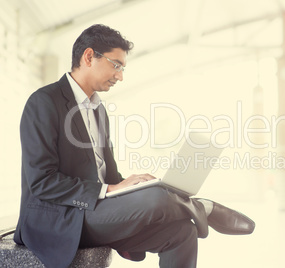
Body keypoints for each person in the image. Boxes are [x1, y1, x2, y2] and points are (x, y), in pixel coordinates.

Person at [14, 24, 255, 268]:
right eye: (116, 65)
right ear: (89, 57)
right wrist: (111, 189)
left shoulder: (98, 110)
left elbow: (107, 176)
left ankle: (190, 206)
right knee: (155, 200)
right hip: (59, 216)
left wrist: (128, 187)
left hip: (96, 212)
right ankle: (201, 207)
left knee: (182, 231)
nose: (120, 76)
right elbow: (42, 182)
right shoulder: (44, 102)